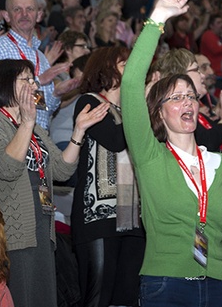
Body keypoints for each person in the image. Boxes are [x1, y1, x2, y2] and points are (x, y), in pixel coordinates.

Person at [120, 0, 222, 306]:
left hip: (220, 287)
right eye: (175, 98)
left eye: (190, 95)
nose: (187, 102)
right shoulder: (150, 157)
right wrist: (158, 18)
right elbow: (131, 82)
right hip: (166, 287)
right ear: (159, 113)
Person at [0, 58, 108, 307]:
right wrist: (27, 122)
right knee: (20, 297)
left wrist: (78, 131)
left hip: (42, 227)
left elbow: (63, 169)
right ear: (4, 84)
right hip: (11, 230)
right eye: (27, 80)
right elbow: (7, 167)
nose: (34, 86)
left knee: (43, 297)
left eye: (34, 80)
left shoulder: (33, 126)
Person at [71, 46, 145, 307]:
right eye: (125, 64)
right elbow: (115, 140)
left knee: (127, 297)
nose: (133, 69)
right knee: (98, 297)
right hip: (98, 216)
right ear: (106, 68)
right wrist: (137, 104)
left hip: (131, 216)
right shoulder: (89, 101)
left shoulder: (132, 112)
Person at [0, 0, 75, 130]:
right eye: (17, 9)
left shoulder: (40, 57)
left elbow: (44, 109)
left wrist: (57, 93)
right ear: (6, 16)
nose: (24, 14)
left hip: (40, 135)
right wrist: (39, 80)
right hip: (9, 130)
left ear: (39, 16)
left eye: (30, 9)